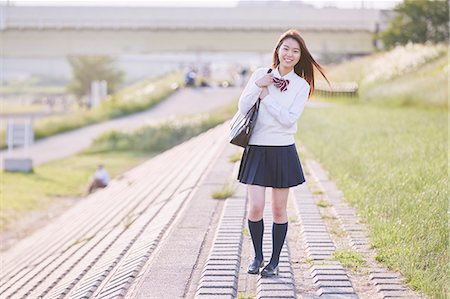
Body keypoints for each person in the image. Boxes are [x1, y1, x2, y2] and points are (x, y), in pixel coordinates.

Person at [237, 29, 330, 277]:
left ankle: (275, 261)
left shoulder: (301, 86)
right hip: (257, 148)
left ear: (300, 56)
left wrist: (267, 97)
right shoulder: (260, 74)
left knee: (279, 210)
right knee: (255, 206)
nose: (289, 54)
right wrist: (258, 86)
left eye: (295, 51)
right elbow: (243, 106)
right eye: (286, 48)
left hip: (282, 150)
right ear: (278, 49)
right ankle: (257, 256)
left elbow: (289, 121)